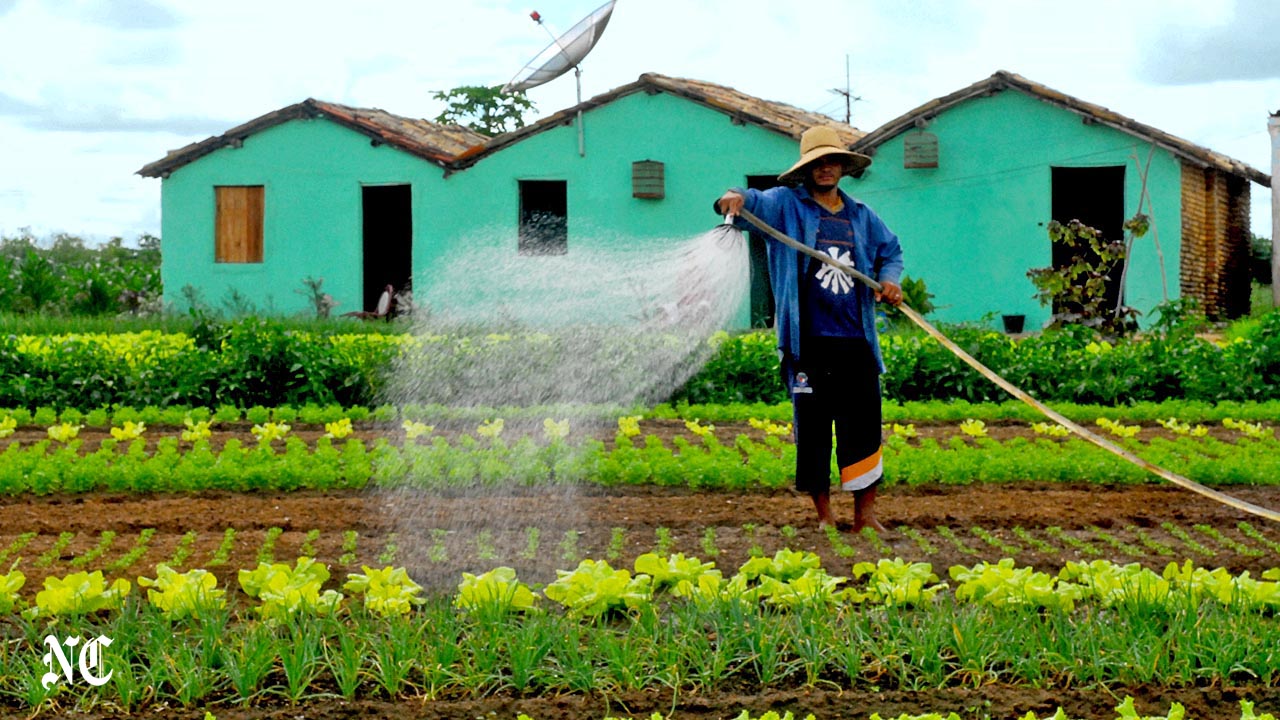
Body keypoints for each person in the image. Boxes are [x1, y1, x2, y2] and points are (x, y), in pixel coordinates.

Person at [714, 125, 904, 532]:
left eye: (832, 161)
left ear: (842, 167)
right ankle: (823, 518)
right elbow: (751, 203)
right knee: (815, 428)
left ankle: (865, 517)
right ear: (807, 169)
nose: (825, 169)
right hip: (809, 343)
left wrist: (889, 280)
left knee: (864, 427)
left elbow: (891, 251)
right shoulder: (786, 206)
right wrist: (733, 198)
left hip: (855, 341)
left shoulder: (862, 216)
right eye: (817, 163)